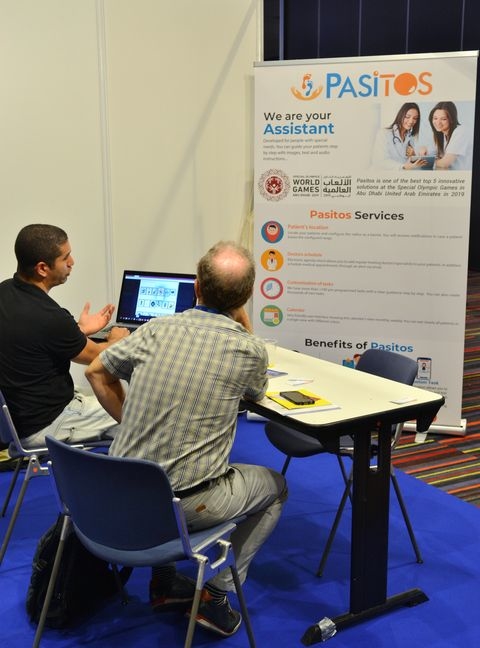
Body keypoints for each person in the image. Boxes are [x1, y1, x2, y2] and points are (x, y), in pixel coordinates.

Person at [85, 240, 288, 638]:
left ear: (196, 287)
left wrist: (130, 422)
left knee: (159, 460)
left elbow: (95, 371)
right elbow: (257, 392)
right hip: (184, 505)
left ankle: (163, 584)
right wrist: (242, 320)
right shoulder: (248, 349)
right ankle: (217, 594)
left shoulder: (156, 329)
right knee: (276, 488)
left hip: (115, 493)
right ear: (247, 296)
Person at [0, 224, 129, 449]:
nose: (72, 262)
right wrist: (118, 338)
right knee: (141, 416)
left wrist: (79, 329)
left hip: (18, 420)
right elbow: (100, 358)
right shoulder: (49, 317)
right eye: (65, 257)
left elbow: (34, 339)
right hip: (48, 424)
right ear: (42, 268)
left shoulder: (5, 291)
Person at [371, 102, 428, 170]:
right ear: (400, 115)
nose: (411, 121)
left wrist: (413, 155)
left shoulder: (410, 137)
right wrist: (403, 167)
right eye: (407, 117)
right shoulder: (384, 133)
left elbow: (407, 163)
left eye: (415, 118)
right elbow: (379, 162)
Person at [428, 101, 472, 170]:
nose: (438, 122)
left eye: (443, 119)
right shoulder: (442, 134)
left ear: (451, 119)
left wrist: (426, 161)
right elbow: (434, 155)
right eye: (435, 118)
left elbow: (444, 164)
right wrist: (424, 151)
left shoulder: (461, 131)